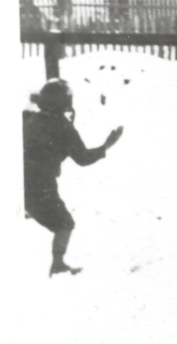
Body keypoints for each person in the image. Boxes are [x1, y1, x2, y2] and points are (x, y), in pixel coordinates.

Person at [23, 79, 124, 276]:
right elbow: (83, 159)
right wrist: (106, 145)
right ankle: (58, 265)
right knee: (64, 223)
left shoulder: (26, 118)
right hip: (41, 184)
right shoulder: (63, 127)